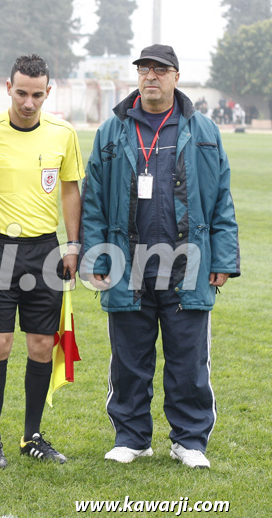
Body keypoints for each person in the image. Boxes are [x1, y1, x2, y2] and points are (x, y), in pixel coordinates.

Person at [79, 44, 240, 469]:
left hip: (189, 264)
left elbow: (221, 198)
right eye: (144, 69)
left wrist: (223, 258)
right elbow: (93, 201)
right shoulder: (111, 132)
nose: (151, 76)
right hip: (127, 262)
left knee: (188, 361)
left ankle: (189, 441)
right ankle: (131, 438)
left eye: (160, 69)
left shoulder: (203, 129)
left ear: (176, 76)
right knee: (129, 360)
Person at [0, 54, 83, 468]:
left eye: (37, 94)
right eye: (21, 93)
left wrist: (73, 244)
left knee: (39, 346)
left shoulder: (63, 133)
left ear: (47, 92)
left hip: (45, 251)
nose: (28, 102)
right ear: (8, 87)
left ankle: (32, 435)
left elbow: (70, 188)